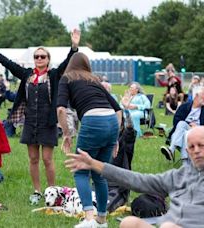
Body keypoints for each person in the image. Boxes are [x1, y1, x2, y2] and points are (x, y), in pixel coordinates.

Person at [0, 29, 80, 205]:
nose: (39, 59)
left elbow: (67, 62)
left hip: (47, 123)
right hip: (30, 122)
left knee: (47, 159)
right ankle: (37, 191)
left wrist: (74, 46)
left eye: (43, 56)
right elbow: (8, 63)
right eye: (37, 56)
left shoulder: (54, 75)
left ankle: (52, 191)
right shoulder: (27, 75)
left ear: (48, 60)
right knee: (33, 159)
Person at [66, 126, 204, 228]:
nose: (196, 150)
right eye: (192, 147)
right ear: (186, 152)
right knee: (129, 223)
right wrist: (94, 164)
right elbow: (138, 181)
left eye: (201, 145)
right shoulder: (178, 176)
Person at [57, 52, 122, 228]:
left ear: (71, 64)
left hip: (93, 121)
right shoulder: (94, 80)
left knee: (80, 171)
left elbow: (61, 110)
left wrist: (66, 134)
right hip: (111, 122)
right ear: (87, 65)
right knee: (99, 173)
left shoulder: (66, 78)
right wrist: (115, 138)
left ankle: (88, 219)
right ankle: (102, 220)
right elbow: (118, 110)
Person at [160, 86, 204, 164]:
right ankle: (184, 162)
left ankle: (171, 150)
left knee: (186, 132)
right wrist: (189, 127)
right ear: (196, 96)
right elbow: (176, 122)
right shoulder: (184, 107)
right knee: (182, 127)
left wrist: (197, 128)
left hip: (198, 134)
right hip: (180, 134)